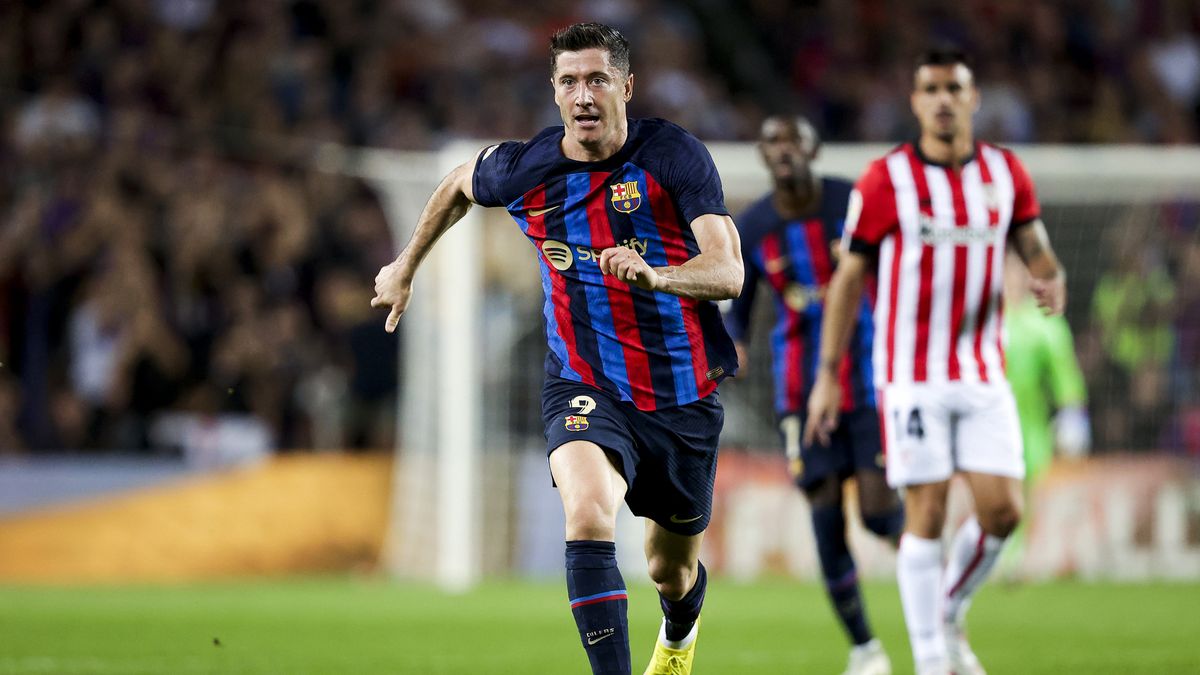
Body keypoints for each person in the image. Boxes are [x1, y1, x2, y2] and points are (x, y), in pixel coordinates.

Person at [370, 22, 742, 675]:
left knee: (669, 569)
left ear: (626, 86)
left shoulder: (675, 157)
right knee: (588, 508)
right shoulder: (529, 168)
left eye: (597, 78)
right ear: (554, 92)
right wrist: (405, 264)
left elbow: (728, 270)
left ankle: (679, 637)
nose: (583, 94)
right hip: (582, 379)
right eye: (569, 81)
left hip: (680, 393)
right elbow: (461, 181)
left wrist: (662, 275)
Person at [804, 47, 1068, 675]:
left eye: (955, 88)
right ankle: (930, 660)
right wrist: (827, 374)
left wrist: (1048, 274)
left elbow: (1032, 239)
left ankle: (945, 611)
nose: (944, 99)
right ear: (916, 101)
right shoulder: (885, 179)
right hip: (911, 374)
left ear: (973, 99)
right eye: (931, 89)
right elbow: (847, 279)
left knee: (1003, 512)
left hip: (983, 370)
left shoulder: (1006, 173)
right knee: (924, 511)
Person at [725, 115, 902, 675]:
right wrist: (732, 347)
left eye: (793, 140)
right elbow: (741, 310)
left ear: (813, 148)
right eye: (772, 141)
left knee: (876, 513)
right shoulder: (751, 227)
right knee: (824, 511)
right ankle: (865, 648)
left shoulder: (850, 203)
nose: (783, 151)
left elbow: (897, 266)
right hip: (799, 390)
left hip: (870, 377)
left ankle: (930, 563)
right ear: (762, 154)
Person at [1000, 250, 1089, 574]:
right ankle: (999, 549)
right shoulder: (985, 317)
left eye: (1016, 272)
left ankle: (1014, 554)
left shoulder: (1044, 325)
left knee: (1022, 489)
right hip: (987, 417)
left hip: (1029, 421)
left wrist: (1073, 416)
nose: (1011, 279)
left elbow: (1065, 375)